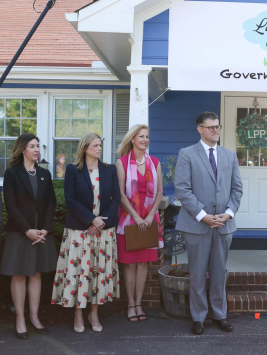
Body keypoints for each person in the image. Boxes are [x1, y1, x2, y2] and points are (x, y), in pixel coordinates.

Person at [174, 111, 243, 335]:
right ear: (200, 129)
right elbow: (183, 190)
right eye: (211, 127)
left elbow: (237, 189)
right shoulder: (186, 154)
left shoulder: (229, 156)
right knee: (197, 273)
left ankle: (220, 315)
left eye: (217, 126)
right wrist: (203, 216)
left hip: (223, 225)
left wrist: (229, 213)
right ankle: (198, 317)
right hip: (197, 225)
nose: (216, 130)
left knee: (219, 272)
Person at [51, 133, 121, 333]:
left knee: (98, 273)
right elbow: (70, 200)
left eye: (100, 145)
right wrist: (92, 219)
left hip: (103, 231)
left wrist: (100, 222)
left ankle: (94, 313)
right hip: (79, 231)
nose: (99, 148)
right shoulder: (73, 170)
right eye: (95, 145)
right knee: (79, 273)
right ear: (85, 148)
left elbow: (116, 198)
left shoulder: (110, 170)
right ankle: (78, 314)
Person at [0, 133, 57, 339]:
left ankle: (34, 317)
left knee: (36, 274)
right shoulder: (12, 174)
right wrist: (28, 230)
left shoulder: (45, 174)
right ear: (23, 149)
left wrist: (45, 229)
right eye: (32, 146)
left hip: (41, 232)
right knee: (19, 274)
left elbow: (51, 203)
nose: (36, 150)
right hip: (20, 232)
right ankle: (20, 319)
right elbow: (11, 206)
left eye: (38, 146)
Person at [116, 124, 163, 322]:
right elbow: (120, 194)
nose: (145, 139)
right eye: (141, 136)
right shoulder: (122, 163)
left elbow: (160, 192)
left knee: (143, 264)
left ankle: (139, 303)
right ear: (132, 140)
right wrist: (136, 217)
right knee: (129, 265)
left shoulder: (155, 162)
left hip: (150, 219)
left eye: (147, 136)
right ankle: (131, 305)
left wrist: (150, 215)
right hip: (128, 219)